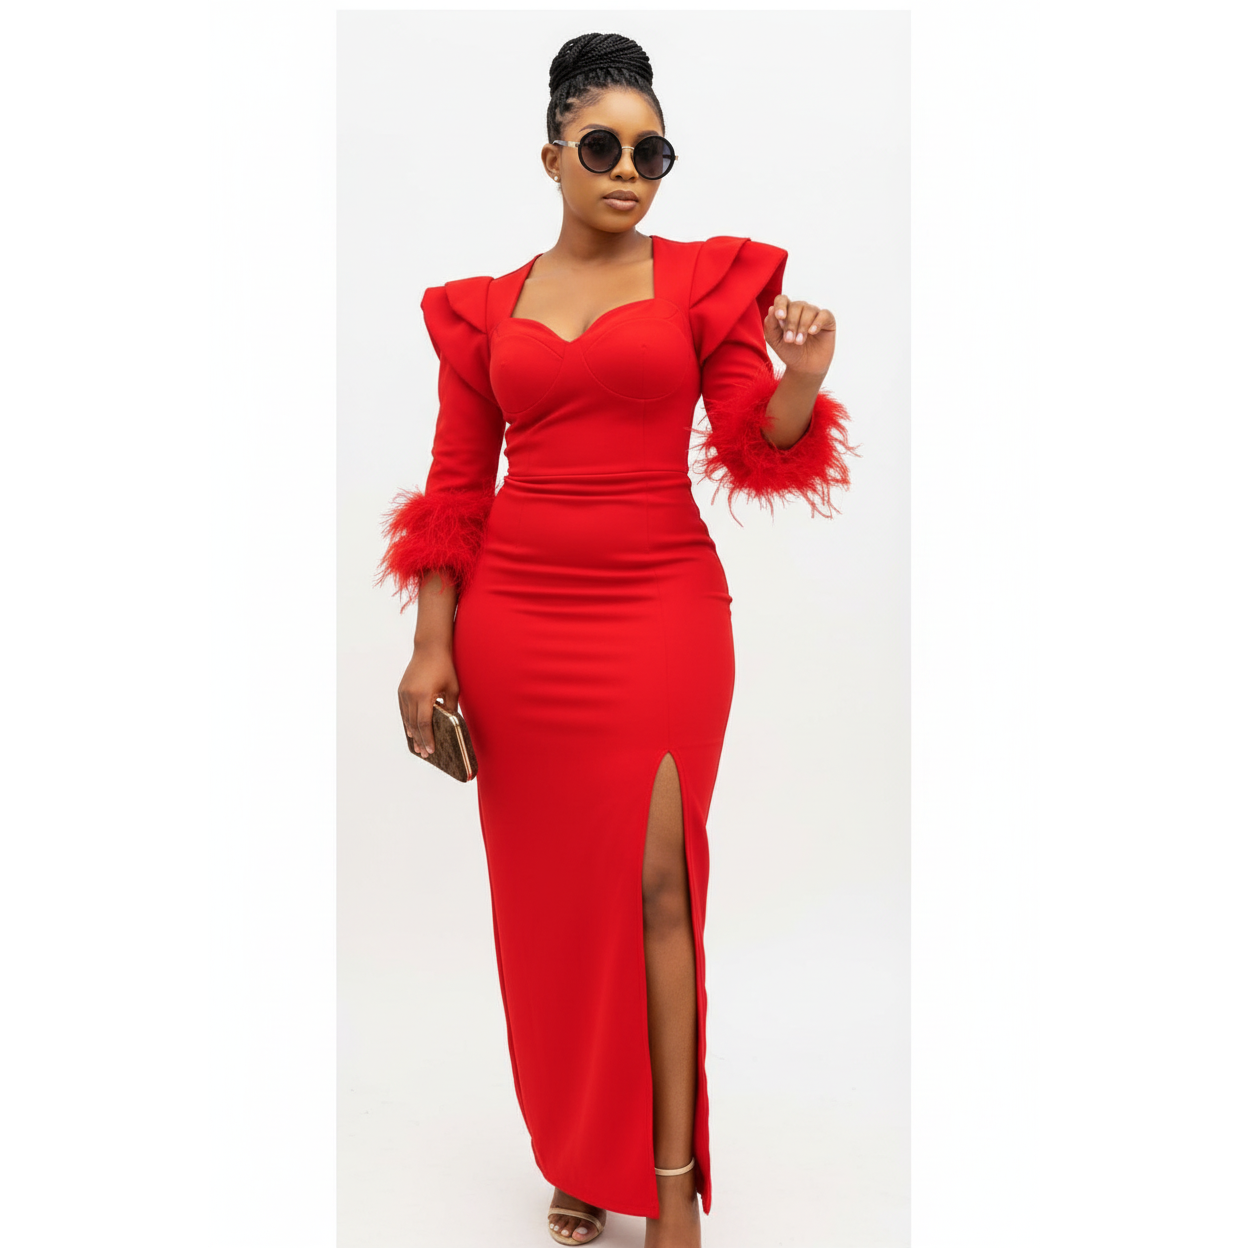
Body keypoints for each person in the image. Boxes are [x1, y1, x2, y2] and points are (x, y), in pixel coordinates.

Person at [377, 30, 855, 1248]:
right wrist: (431, 647)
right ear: (551, 157)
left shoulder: (703, 284)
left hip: (660, 608)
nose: (630, 171)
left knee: (659, 886)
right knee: (550, 907)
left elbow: (756, 445)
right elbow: (454, 489)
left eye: (653, 152)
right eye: (602, 147)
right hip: (516, 625)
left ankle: (672, 1184)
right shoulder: (486, 311)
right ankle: (580, 1156)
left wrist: (801, 377)